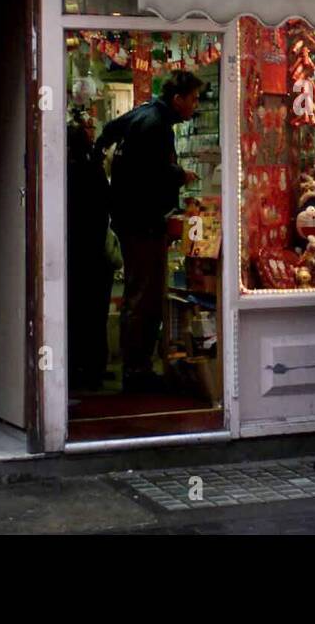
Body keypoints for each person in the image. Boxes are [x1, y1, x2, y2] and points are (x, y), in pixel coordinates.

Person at [95, 70, 203, 392]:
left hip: (130, 219)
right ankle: (137, 370)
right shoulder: (156, 126)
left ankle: (136, 365)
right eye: (193, 99)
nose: (195, 105)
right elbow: (152, 172)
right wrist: (179, 175)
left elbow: (109, 132)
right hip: (142, 222)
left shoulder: (144, 113)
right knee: (144, 296)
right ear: (178, 99)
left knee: (138, 293)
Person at [66, 115, 114, 392]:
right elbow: (106, 203)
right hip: (93, 250)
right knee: (95, 314)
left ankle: (76, 366)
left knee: (76, 310)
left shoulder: (66, 171)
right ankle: (94, 367)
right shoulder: (92, 169)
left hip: (73, 250)